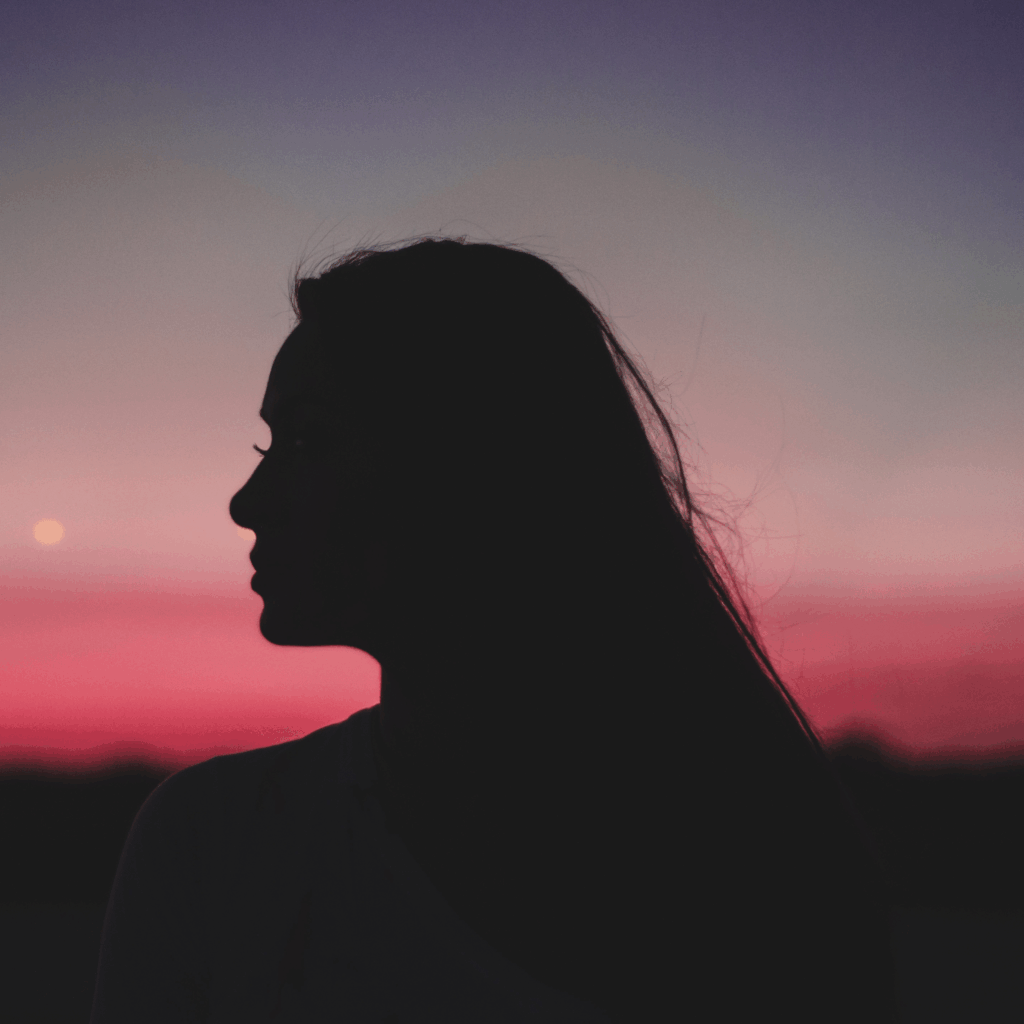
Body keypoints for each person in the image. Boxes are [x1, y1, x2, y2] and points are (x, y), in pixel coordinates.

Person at [91, 236, 899, 1023]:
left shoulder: (764, 873)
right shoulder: (214, 847)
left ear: (475, 463)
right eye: (268, 444)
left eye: (307, 442)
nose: (246, 502)